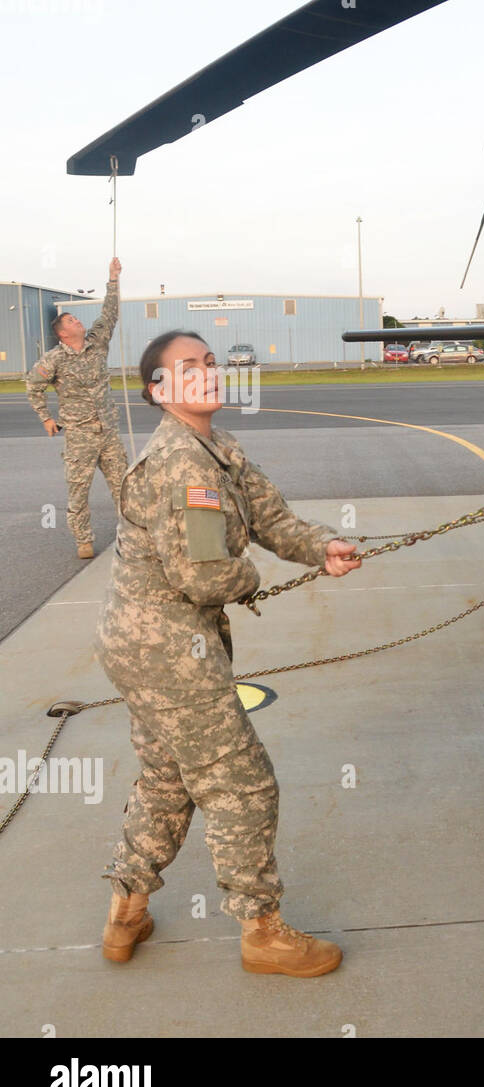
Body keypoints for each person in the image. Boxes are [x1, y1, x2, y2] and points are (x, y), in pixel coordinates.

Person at [95, 330, 363, 976]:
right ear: (160, 392)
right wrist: (251, 581)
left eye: (211, 363)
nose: (208, 374)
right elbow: (207, 577)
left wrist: (320, 546)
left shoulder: (215, 447)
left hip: (140, 644)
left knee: (166, 780)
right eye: (188, 367)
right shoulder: (184, 465)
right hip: (168, 651)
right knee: (242, 783)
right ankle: (261, 932)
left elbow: (272, 518)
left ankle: (126, 909)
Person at [26, 259, 130, 559]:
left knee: (124, 488)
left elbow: (110, 313)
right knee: (78, 491)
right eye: (71, 321)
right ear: (62, 333)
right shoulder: (54, 360)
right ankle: (83, 540)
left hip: (108, 431)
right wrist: (45, 417)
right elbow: (33, 385)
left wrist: (113, 279)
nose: (77, 322)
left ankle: (133, 535)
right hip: (80, 435)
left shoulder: (97, 343)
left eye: (76, 319)